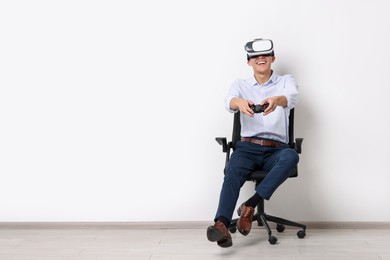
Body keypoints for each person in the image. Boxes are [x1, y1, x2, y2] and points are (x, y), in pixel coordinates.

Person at [207, 38, 299, 248]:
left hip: (276, 149)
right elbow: (228, 101)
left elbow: (292, 96)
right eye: (256, 57)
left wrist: (276, 101)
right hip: (247, 148)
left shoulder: (285, 81)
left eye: (265, 55)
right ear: (249, 62)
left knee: (291, 156)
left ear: (272, 59)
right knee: (233, 170)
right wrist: (239, 102)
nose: (261, 59)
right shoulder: (240, 85)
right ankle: (221, 225)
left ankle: (249, 206)